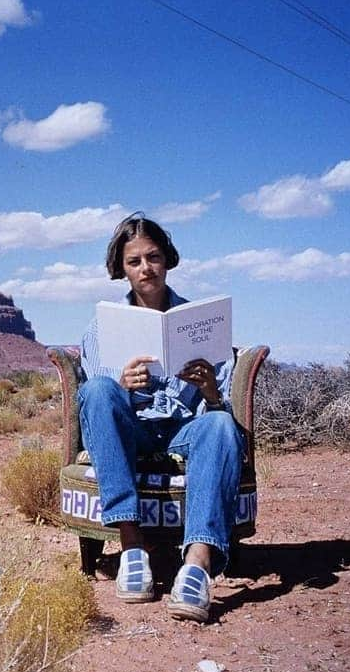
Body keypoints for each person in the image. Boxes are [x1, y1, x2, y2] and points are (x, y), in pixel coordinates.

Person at [78, 211, 243, 623]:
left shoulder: (201, 322)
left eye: (153, 257)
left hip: (183, 429)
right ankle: (132, 546)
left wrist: (208, 389)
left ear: (167, 259)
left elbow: (216, 410)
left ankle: (198, 564)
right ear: (121, 268)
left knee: (221, 423)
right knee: (98, 390)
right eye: (134, 261)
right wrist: (124, 385)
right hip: (134, 429)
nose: (145, 268)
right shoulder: (102, 330)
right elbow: (102, 408)